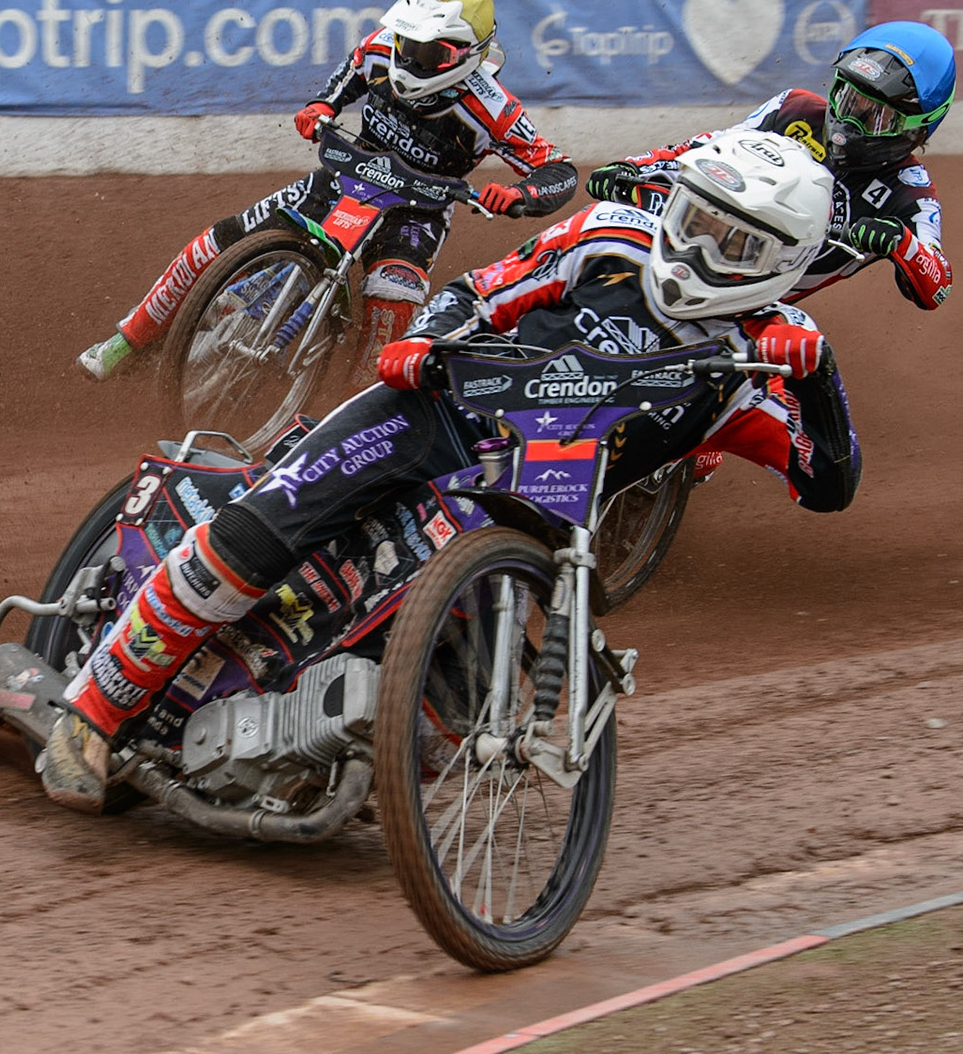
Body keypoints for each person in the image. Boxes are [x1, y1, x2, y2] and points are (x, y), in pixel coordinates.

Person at [43, 130, 854, 811]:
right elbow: (482, 291)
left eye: (732, 239)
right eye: (692, 215)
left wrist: (816, 381)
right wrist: (427, 340)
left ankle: (331, 759)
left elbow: (830, 483)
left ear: (782, 261)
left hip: (524, 509)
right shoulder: (612, 235)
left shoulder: (764, 364)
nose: (696, 245)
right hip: (437, 413)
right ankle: (93, 712)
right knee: (263, 530)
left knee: (447, 726)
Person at [79, 0, 578, 385]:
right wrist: (324, 103)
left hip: (418, 212)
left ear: (463, 54)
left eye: (427, 54)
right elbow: (351, 72)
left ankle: (352, 408)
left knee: (393, 294)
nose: (408, 57)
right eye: (407, 41)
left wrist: (520, 194)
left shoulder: (493, 108)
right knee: (219, 240)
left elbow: (557, 170)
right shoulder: (382, 46)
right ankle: (129, 339)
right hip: (347, 174)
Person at [587, 21, 954, 315]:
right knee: (599, 226)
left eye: (874, 117)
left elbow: (937, 287)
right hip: (690, 250)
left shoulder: (910, 193)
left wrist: (901, 242)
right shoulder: (793, 108)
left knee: (803, 354)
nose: (849, 119)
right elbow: (711, 146)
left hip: (749, 311)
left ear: (918, 127)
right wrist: (633, 166)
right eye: (846, 97)